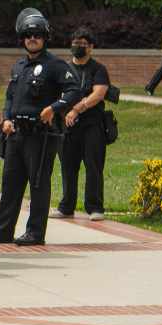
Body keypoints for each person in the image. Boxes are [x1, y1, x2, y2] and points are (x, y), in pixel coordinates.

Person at [0, 9, 81, 247]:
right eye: (27, 35)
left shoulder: (55, 65)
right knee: (10, 184)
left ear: (45, 37)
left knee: (38, 183)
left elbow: (74, 90)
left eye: (36, 34)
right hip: (16, 134)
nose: (32, 38)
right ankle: (3, 230)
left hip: (41, 135)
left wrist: (55, 108)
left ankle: (35, 232)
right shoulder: (19, 67)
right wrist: (5, 119)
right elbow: (11, 96)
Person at [56, 27, 111, 221]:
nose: (78, 47)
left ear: (91, 48)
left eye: (83, 44)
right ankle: (66, 206)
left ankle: (95, 207)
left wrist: (77, 109)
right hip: (67, 127)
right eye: (75, 43)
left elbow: (99, 94)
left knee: (93, 166)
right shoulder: (63, 69)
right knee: (68, 167)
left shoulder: (98, 69)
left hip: (92, 125)